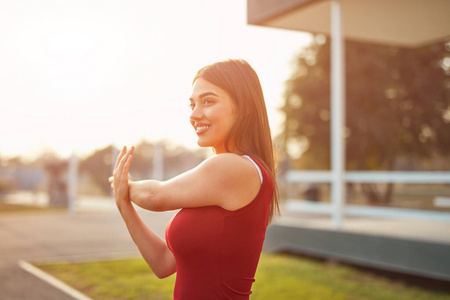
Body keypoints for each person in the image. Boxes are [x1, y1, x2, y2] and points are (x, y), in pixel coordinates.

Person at [111, 58, 280, 299]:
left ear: (244, 107)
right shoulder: (222, 182)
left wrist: (124, 186)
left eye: (208, 101)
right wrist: (123, 204)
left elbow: (154, 196)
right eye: (192, 104)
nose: (195, 114)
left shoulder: (235, 167)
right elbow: (163, 264)